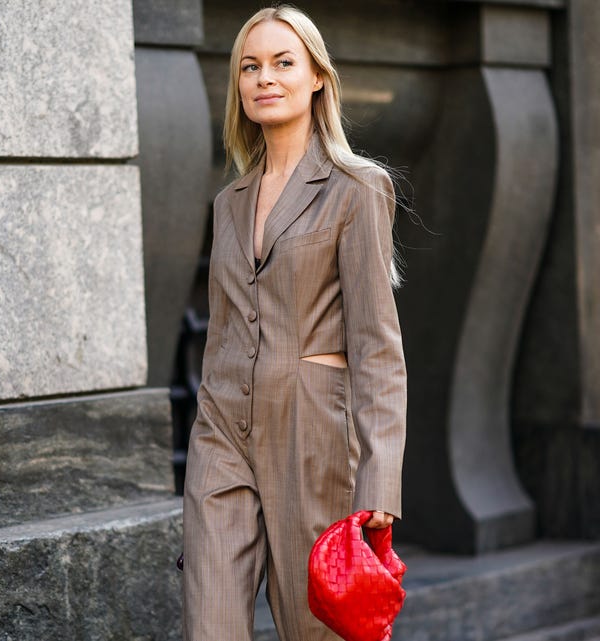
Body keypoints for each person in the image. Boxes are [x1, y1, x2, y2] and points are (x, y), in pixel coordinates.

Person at [182, 5, 407, 641]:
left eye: (284, 63)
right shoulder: (228, 203)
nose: (265, 78)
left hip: (314, 437)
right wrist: (207, 422)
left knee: (314, 628)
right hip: (223, 433)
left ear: (317, 79)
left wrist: (379, 479)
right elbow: (223, 330)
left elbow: (377, 346)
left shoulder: (356, 188)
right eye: (250, 67)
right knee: (210, 621)